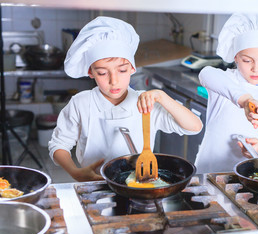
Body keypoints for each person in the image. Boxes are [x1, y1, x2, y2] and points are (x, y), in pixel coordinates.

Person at [48, 16, 203, 182]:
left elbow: (194, 127)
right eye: (102, 73)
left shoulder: (146, 103)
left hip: (139, 186)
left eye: (122, 70)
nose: (113, 80)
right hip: (94, 184)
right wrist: (75, 172)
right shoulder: (81, 104)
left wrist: (162, 96)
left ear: (132, 68)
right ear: (90, 72)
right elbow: (59, 145)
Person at [195, 13, 258, 173]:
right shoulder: (225, 82)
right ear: (236, 57)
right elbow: (206, 73)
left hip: (245, 183)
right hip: (207, 176)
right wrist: (246, 100)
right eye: (247, 60)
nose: (256, 68)